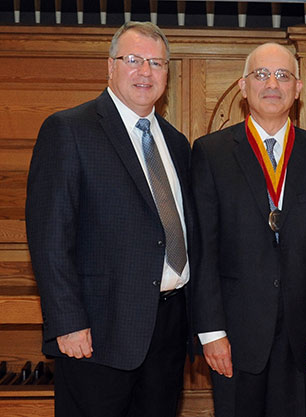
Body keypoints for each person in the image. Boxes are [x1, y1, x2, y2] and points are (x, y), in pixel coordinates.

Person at [25, 21, 195, 417]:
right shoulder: (69, 130)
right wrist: (66, 322)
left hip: (168, 329)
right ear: (110, 66)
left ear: (167, 74)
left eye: (156, 63)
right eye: (133, 60)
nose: (145, 72)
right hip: (98, 332)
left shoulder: (177, 143)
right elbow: (50, 237)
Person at [191, 42, 306, 417]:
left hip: (304, 335)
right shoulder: (211, 153)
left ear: (298, 89)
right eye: (261, 74)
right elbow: (202, 250)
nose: (272, 84)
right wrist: (212, 333)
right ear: (243, 86)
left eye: (283, 75)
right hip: (234, 336)